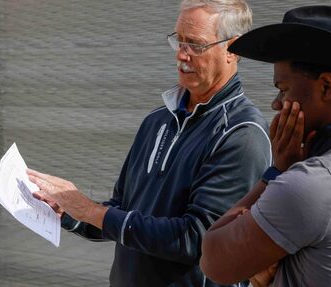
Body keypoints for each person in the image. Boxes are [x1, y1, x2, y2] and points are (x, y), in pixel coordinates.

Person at [27, 1, 271, 286]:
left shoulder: (242, 133)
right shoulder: (158, 119)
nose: (182, 55)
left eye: (196, 45)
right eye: (179, 41)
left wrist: (92, 211)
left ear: (232, 49)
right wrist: (68, 212)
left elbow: (199, 239)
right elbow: (122, 211)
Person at [200, 5, 331, 287]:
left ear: (326, 88)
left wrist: (276, 170)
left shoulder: (314, 183)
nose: (276, 104)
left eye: (283, 89)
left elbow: (214, 261)